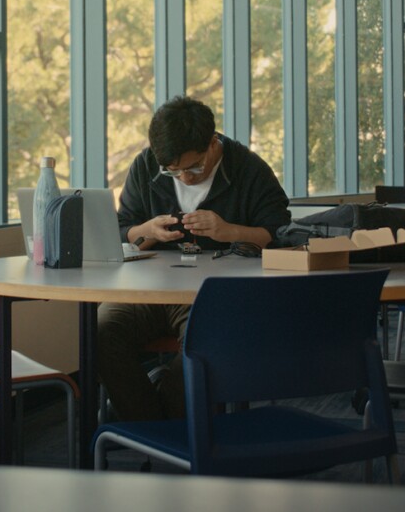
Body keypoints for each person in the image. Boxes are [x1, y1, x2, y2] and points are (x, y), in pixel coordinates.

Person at [98, 96, 291, 421]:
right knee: (100, 330)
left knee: (204, 340)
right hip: (150, 290)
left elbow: (280, 233)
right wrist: (145, 231)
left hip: (215, 295)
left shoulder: (248, 168)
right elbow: (120, 230)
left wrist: (230, 231)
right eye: (173, 172)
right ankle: (154, 428)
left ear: (213, 143)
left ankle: (168, 430)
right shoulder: (146, 165)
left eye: (194, 167)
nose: (186, 178)